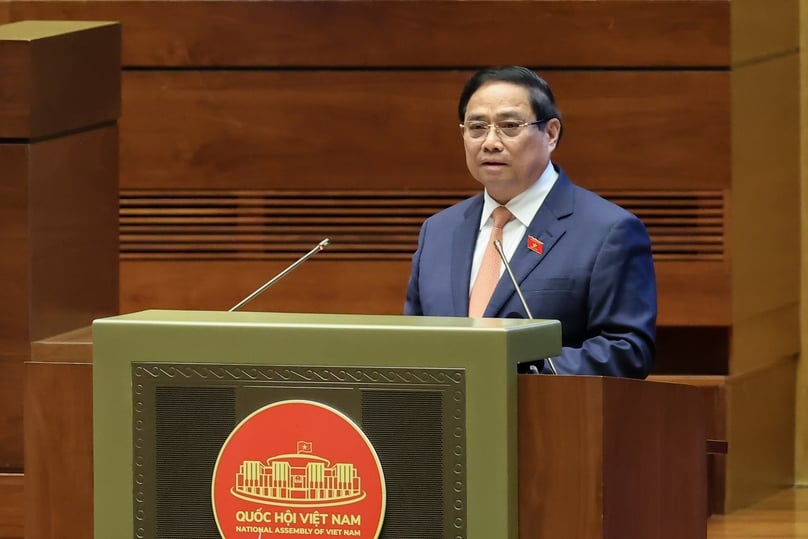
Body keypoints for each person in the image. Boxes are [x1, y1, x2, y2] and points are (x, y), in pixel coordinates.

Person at [404, 66, 656, 378]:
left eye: (509, 126)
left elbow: (626, 350)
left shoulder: (608, 231)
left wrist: (522, 374)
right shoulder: (438, 231)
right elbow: (412, 343)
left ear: (550, 133)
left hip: (549, 419)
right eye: (477, 128)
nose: (490, 142)